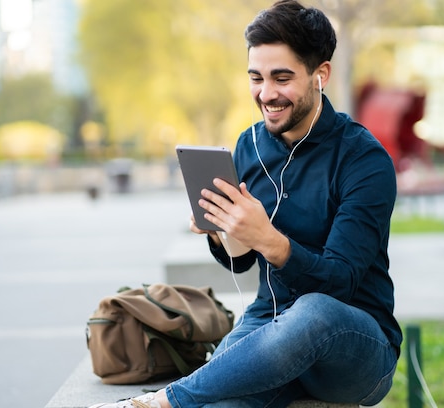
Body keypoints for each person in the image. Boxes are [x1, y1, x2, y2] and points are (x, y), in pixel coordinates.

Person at [89, 1, 401, 407]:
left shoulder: (363, 159)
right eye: (256, 78)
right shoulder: (247, 146)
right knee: (219, 401)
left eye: (282, 78)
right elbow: (240, 264)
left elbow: (340, 283)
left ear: (320, 74)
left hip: (353, 349)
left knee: (314, 312)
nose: (266, 94)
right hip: (267, 326)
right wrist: (222, 232)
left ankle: (162, 402)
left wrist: (268, 239)